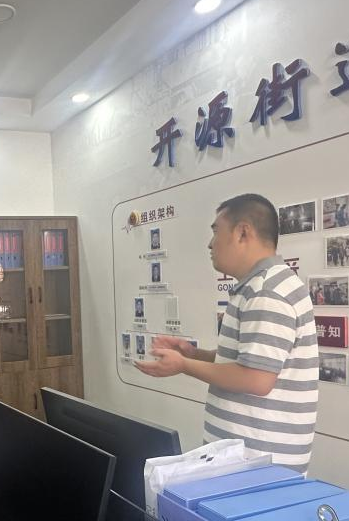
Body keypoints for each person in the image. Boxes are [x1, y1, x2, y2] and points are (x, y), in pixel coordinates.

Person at [136, 194, 318, 474]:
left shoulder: (267, 292)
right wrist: (193, 354)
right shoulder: (259, 287)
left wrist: (183, 365)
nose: (210, 244)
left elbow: (256, 379)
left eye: (216, 231)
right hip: (248, 461)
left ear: (243, 232)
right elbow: (248, 363)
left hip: (260, 466)